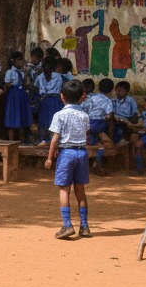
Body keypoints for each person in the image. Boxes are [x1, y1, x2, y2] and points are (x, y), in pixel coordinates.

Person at [45, 79, 92, 239]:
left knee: (64, 189)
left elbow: (55, 138)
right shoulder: (84, 116)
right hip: (82, 153)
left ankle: (67, 225)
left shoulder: (59, 115)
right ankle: (84, 226)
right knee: (80, 190)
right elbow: (86, 135)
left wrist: (50, 157)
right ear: (81, 98)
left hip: (67, 153)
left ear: (62, 96)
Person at [84, 78, 115, 176]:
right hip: (99, 124)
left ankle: (89, 163)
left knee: (92, 140)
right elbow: (110, 115)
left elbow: (85, 109)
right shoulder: (107, 100)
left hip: (87, 122)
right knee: (101, 143)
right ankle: (98, 162)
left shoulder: (91, 97)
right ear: (111, 90)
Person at [35, 58, 63, 144]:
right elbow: (61, 88)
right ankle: (54, 140)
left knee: (44, 120)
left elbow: (35, 87)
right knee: (54, 120)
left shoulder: (39, 77)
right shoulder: (58, 76)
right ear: (54, 66)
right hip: (55, 101)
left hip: (44, 100)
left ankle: (43, 139)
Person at [3, 51, 29, 141]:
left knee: (21, 115)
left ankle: (21, 139)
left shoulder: (22, 73)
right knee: (12, 116)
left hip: (21, 96)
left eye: (22, 60)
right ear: (13, 61)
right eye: (18, 60)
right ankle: (11, 140)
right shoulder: (9, 72)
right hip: (13, 96)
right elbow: (6, 84)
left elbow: (24, 83)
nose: (21, 62)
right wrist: (10, 85)